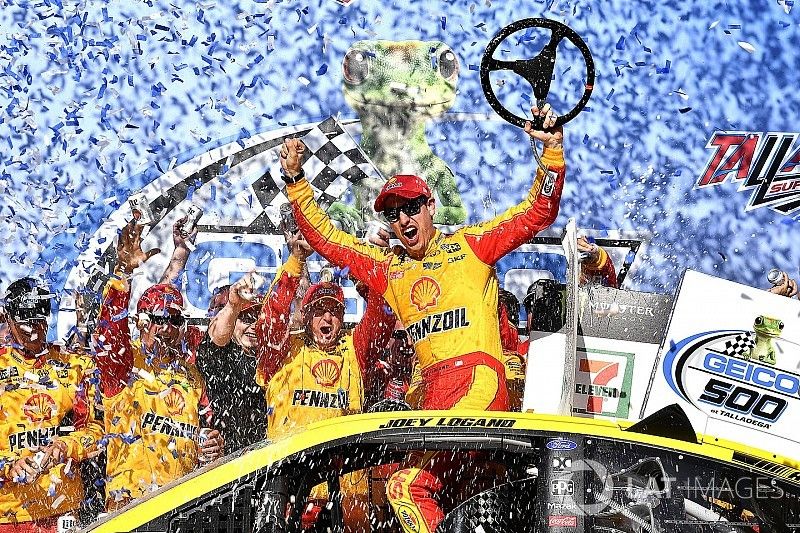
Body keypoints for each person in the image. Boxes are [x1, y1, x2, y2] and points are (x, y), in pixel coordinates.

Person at [279, 104, 566, 533]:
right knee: (434, 497)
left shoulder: (471, 246)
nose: (402, 220)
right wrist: (296, 182)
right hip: (431, 396)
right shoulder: (391, 269)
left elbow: (536, 213)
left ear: (430, 205)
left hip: (478, 384)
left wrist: (552, 154)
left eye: (410, 207)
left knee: (406, 488)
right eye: (392, 214)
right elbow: (330, 241)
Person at [251, 230, 394, 530]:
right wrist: (296, 260)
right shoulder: (283, 351)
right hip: (287, 492)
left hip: (344, 498)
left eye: (334, 312)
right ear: (304, 317)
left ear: (342, 318)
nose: (326, 320)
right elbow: (272, 317)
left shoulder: (354, 351)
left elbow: (382, 318)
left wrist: (377, 262)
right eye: (318, 312)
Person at [94, 221, 223, 511]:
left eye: (173, 320)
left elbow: (210, 434)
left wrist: (214, 448)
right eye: (157, 319)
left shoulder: (192, 376)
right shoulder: (124, 367)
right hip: (131, 511)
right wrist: (123, 273)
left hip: (182, 510)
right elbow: (107, 333)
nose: (165, 327)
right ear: (141, 323)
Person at [0, 278, 104, 533]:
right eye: (24, 319)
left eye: (39, 317)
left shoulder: (76, 366)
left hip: (62, 511)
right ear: (8, 318)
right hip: (7, 514)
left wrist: (65, 446)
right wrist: (7, 465)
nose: (33, 329)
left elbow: (98, 431)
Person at [197, 285, 269, 452]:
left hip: (267, 461)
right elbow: (218, 337)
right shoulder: (218, 354)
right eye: (247, 319)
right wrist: (233, 306)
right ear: (233, 320)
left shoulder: (272, 359)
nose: (254, 327)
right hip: (227, 461)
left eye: (260, 320)